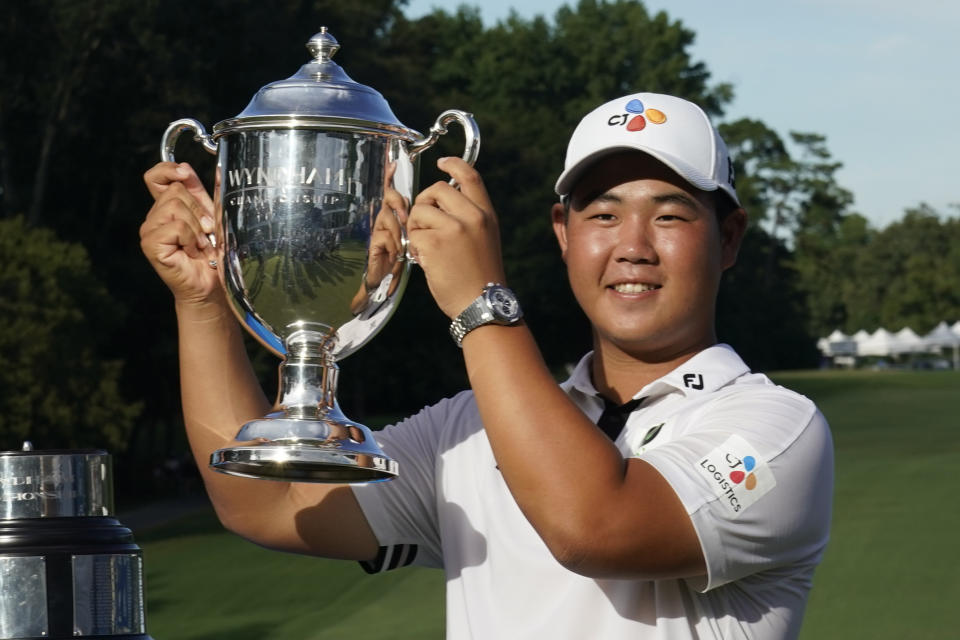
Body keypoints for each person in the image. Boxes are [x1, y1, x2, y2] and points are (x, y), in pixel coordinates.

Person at [140, 92, 833, 639]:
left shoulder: (776, 429)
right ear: (563, 235)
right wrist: (202, 306)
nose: (632, 247)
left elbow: (595, 525)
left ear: (730, 237)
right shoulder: (469, 429)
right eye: (603, 215)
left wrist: (480, 303)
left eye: (671, 216)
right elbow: (264, 501)